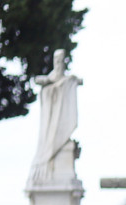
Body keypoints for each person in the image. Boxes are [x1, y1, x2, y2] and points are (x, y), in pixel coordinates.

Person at [28, 49, 82, 186]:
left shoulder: (68, 79)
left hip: (62, 117)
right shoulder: (50, 79)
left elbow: (78, 81)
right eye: (56, 60)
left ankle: (62, 141)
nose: (58, 63)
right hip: (51, 121)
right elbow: (39, 80)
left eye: (61, 60)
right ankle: (48, 156)